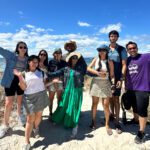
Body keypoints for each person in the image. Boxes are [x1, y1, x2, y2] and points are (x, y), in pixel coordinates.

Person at [13, 55, 49, 150]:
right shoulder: (24, 74)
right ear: (28, 62)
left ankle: (36, 128)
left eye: (36, 62)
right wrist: (20, 76)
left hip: (41, 96)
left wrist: (52, 82)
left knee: (39, 116)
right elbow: (23, 88)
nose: (34, 63)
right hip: (29, 98)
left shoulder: (41, 72)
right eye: (32, 61)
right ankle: (27, 141)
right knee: (30, 119)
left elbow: (44, 85)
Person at [48, 51, 86, 138]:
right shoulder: (66, 68)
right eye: (73, 58)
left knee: (74, 107)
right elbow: (54, 73)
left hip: (77, 90)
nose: (74, 59)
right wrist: (45, 73)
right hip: (67, 90)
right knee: (63, 104)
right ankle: (58, 118)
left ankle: (74, 124)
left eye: (76, 58)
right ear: (70, 59)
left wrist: (79, 55)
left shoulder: (82, 68)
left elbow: (85, 65)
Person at [0, 41, 28, 138]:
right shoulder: (11, 55)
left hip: (20, 80)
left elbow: (32, 67)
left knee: (20, 102)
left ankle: (20, 118)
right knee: (8, 103)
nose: (23, 48)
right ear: (17, 48)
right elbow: (1, 50)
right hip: (9, 80)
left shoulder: (27, 59)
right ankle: (5, 125)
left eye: (24, 47)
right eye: (21, 47)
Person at [125, 41, 150, 144]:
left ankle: (141, 132)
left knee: (142, 110)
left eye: (134, 47)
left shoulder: (146, 57)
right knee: (134, 107)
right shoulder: (127, 60)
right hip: (130, 88)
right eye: (130, 48)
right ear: (127, 50)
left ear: (137, 48)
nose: (132, 50)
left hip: (143, 88)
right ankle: (135, 120)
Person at [87, 44, 115, 135]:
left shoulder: (110, 61)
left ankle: (107, 124)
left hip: (106, 83)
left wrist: (113, 84)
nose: (101, 52)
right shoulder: (96, 59)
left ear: (107, 51)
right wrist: (98, 73)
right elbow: (88, 68)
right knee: (94, 103)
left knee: (106, 105)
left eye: (103, 50)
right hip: (95, 83)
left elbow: (112, 75)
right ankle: (93, 121)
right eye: (100, 50)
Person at [108, 30, 127, 133]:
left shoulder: (121, 49)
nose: (113, 37)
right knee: (110, 97)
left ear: (117, 38)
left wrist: (121, 78)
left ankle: (117, 122)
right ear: (109, 38)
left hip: (118, 77)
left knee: (116, 98)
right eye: (111, 36)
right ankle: (111, 114)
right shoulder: (106, 49)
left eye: (115, 36)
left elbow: (124, 65)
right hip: (108, 78)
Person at [47, 48, 66, 119]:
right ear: (54, 54)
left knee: (59, 99)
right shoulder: (51, 62)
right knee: (50, 99)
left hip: (60, 83)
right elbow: (48, 73)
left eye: (59, 53)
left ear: (61, 54)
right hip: (52, 82)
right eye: (56, 53)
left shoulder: (64, 63)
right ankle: (50, 113)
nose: (57, 54)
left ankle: (58, 113)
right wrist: (52, 81)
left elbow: (65, 73)